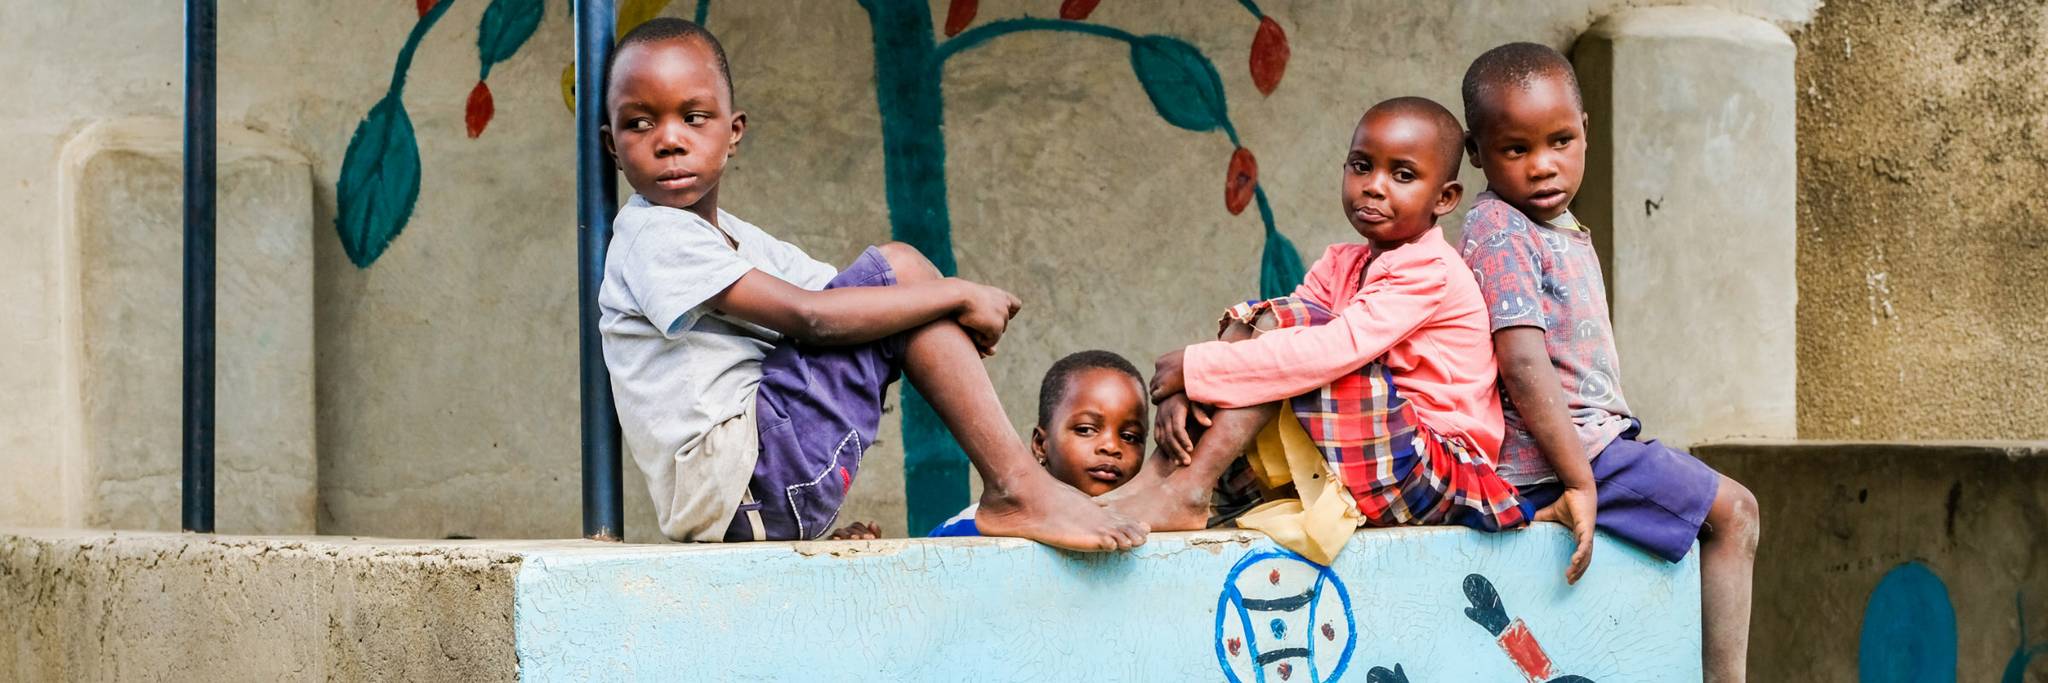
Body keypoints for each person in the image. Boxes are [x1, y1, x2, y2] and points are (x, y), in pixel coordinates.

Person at [596, 18, 1146, 551]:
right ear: (612, 146)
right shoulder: (652, 234)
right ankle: (1017, 486)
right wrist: (956, 294)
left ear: (733, 132)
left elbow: (850, 302)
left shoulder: (738, 241)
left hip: (761, 493)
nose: (669, 140)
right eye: (639, 124)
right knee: (901, 268)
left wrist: (927, 315)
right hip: (748, 478)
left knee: (898, 293)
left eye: (694, 117)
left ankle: (1017, 487)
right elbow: (814, 317)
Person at [1456, 41, 1761, 682]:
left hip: (1591, 445)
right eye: (1516, 150)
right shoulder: (1501, 227)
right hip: (1565, 457)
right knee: (1735, 514)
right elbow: (1522, 363)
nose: (1544, 166)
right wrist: (1578, 481)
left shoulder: (1551, 225)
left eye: (1560, 141)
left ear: (1585, 130)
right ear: (1476, 152)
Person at [1107, 98, 1530, 553]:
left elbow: (1327, 350)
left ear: (1444, 198)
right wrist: (1188, 389)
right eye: (1362, 167)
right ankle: (1159, 482)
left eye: (1403, 175)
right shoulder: (1341, 263)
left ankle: (1192, 489)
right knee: (1269, 324)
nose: (1374, 187)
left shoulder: (1430, 269)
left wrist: (1196, 369)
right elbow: (1268, 341)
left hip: (1434, 466)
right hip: (1372, 455)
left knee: (1297, 335)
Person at [918, 350, 1149, 537]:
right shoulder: (974, 529)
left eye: (1130, 436)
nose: (1111, 447)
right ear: (1040, 444)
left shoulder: (1145, 531)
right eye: (1085, 430)